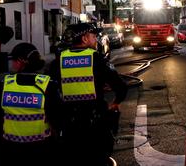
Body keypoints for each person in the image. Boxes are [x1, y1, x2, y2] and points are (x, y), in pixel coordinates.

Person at [50, 23, 128, 166]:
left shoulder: (58, 61)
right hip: (95, 121)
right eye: (93, 36)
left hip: (69, 123)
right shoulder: (97, 58)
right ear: (85, 39)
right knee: (99, 157)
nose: (96, 40)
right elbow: (121, 87)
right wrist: (116, 102)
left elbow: (49, 91)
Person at [0, 42, 61, 165]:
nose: (12, 63)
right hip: (42, 148)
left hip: (10, 149)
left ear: (21, 61)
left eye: (14, 60)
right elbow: (57, 117)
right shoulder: (48, 84)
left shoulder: (4, 84)